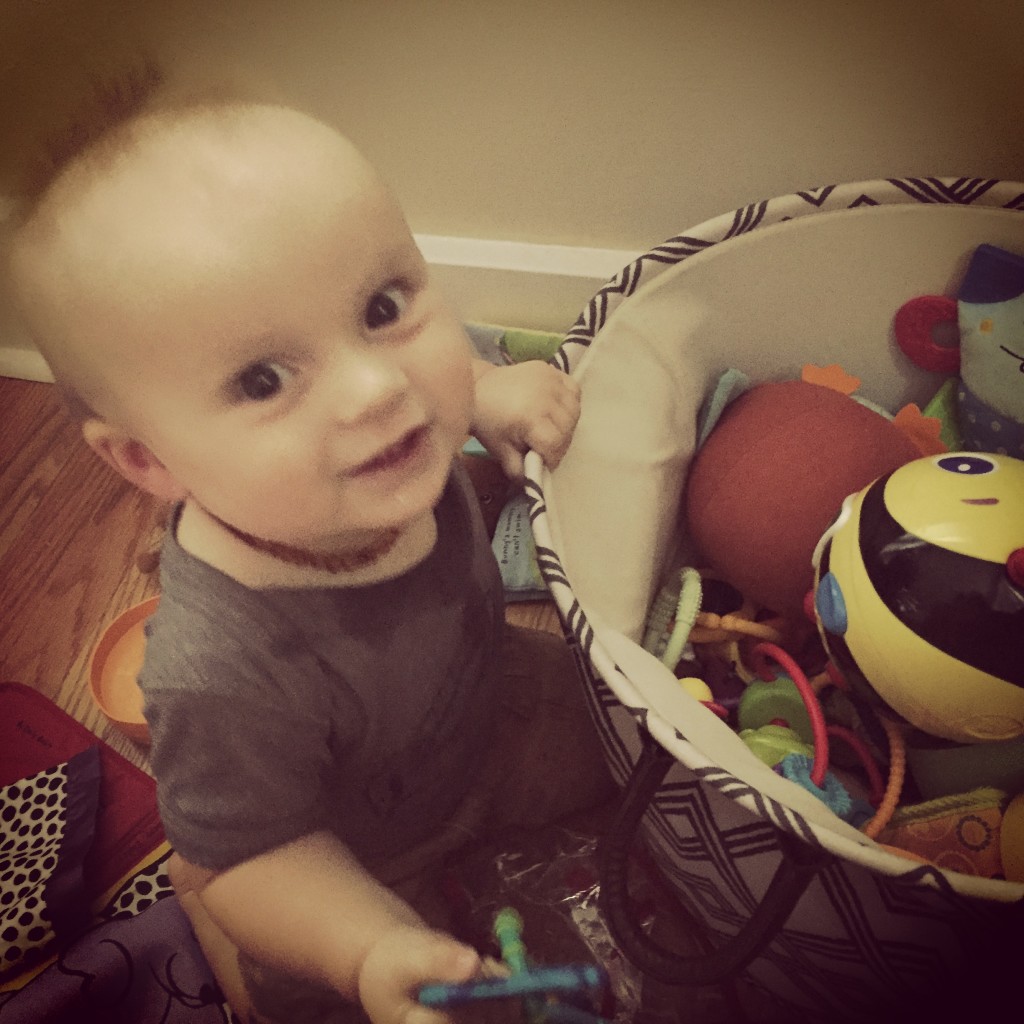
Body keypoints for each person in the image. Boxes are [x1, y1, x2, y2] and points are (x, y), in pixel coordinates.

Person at [7, 77, 614, 1023]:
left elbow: (442, 370)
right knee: (364, 985)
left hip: (481, 705)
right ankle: (236, 943)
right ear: (147, 460)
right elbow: (257, 859)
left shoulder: (385, 435)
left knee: (631, 724)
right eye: (262, 379)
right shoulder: (221, 675)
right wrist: (367, 948)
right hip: (341, 856)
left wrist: (487, 391)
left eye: (381, 307)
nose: (378, 387)